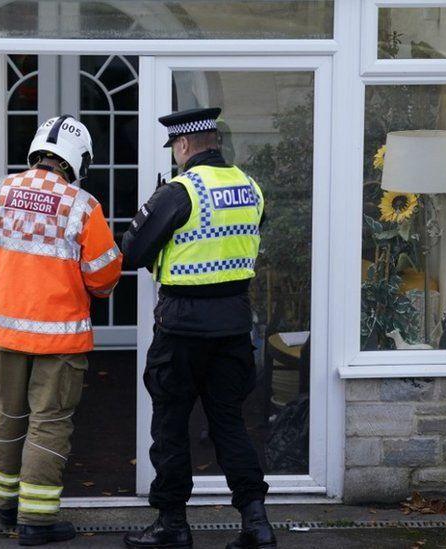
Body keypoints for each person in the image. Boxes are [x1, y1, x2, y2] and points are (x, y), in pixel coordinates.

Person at [121, 107, 276, 549]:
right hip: (232, 327)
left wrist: (151, 215)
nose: (175, 155)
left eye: (175, 148)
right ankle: (256, 522)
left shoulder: (180, 190)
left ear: (185, 145)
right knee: (229, 423)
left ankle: (172, 524)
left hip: (183, 329)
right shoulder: (250, 187)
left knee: (171, 426)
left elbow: (131, 253)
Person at [0, 115, 122, 546]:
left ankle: (6, 506)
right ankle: (36, 521)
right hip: (59, 338)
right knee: (49, 423)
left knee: (9, 416)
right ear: (78, 160)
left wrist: (7, 285)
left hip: (6, 333)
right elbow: (105, 274)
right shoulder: (82, 206)